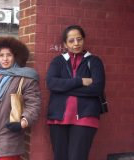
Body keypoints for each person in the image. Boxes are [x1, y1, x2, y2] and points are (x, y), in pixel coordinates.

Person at [46, 25, 106, 160]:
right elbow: (51, 84)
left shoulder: (94, 61)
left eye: (79, 39)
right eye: (71, 40)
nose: (76, 43)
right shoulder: (58, 61)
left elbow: (97, 88)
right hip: (58, 118)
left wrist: (64, 88)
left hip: (86, 117)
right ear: (65, 44)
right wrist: (79, 81)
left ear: (84, 40)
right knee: (60, 157)